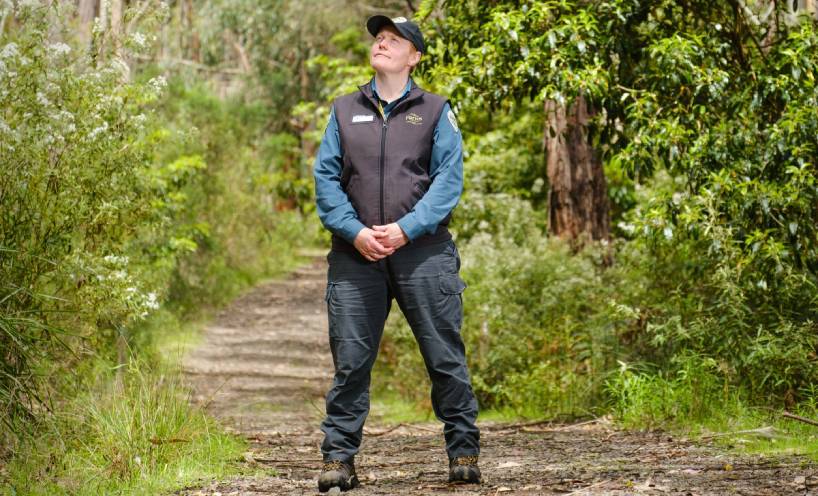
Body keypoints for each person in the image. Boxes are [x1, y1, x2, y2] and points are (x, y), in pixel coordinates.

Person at [312, 14, 481, 493]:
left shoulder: (435, 110)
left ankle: (463, 450)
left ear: (415, 57)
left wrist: (407, 229)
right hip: (354, 256)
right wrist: (355, 232)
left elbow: (449, 180)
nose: (382, 43)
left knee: (444, 356)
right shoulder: (345, 110)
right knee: (350, 361)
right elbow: (326, 180)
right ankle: (339, 459)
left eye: (394, 40)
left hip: (424, 254)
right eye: (379, 38)